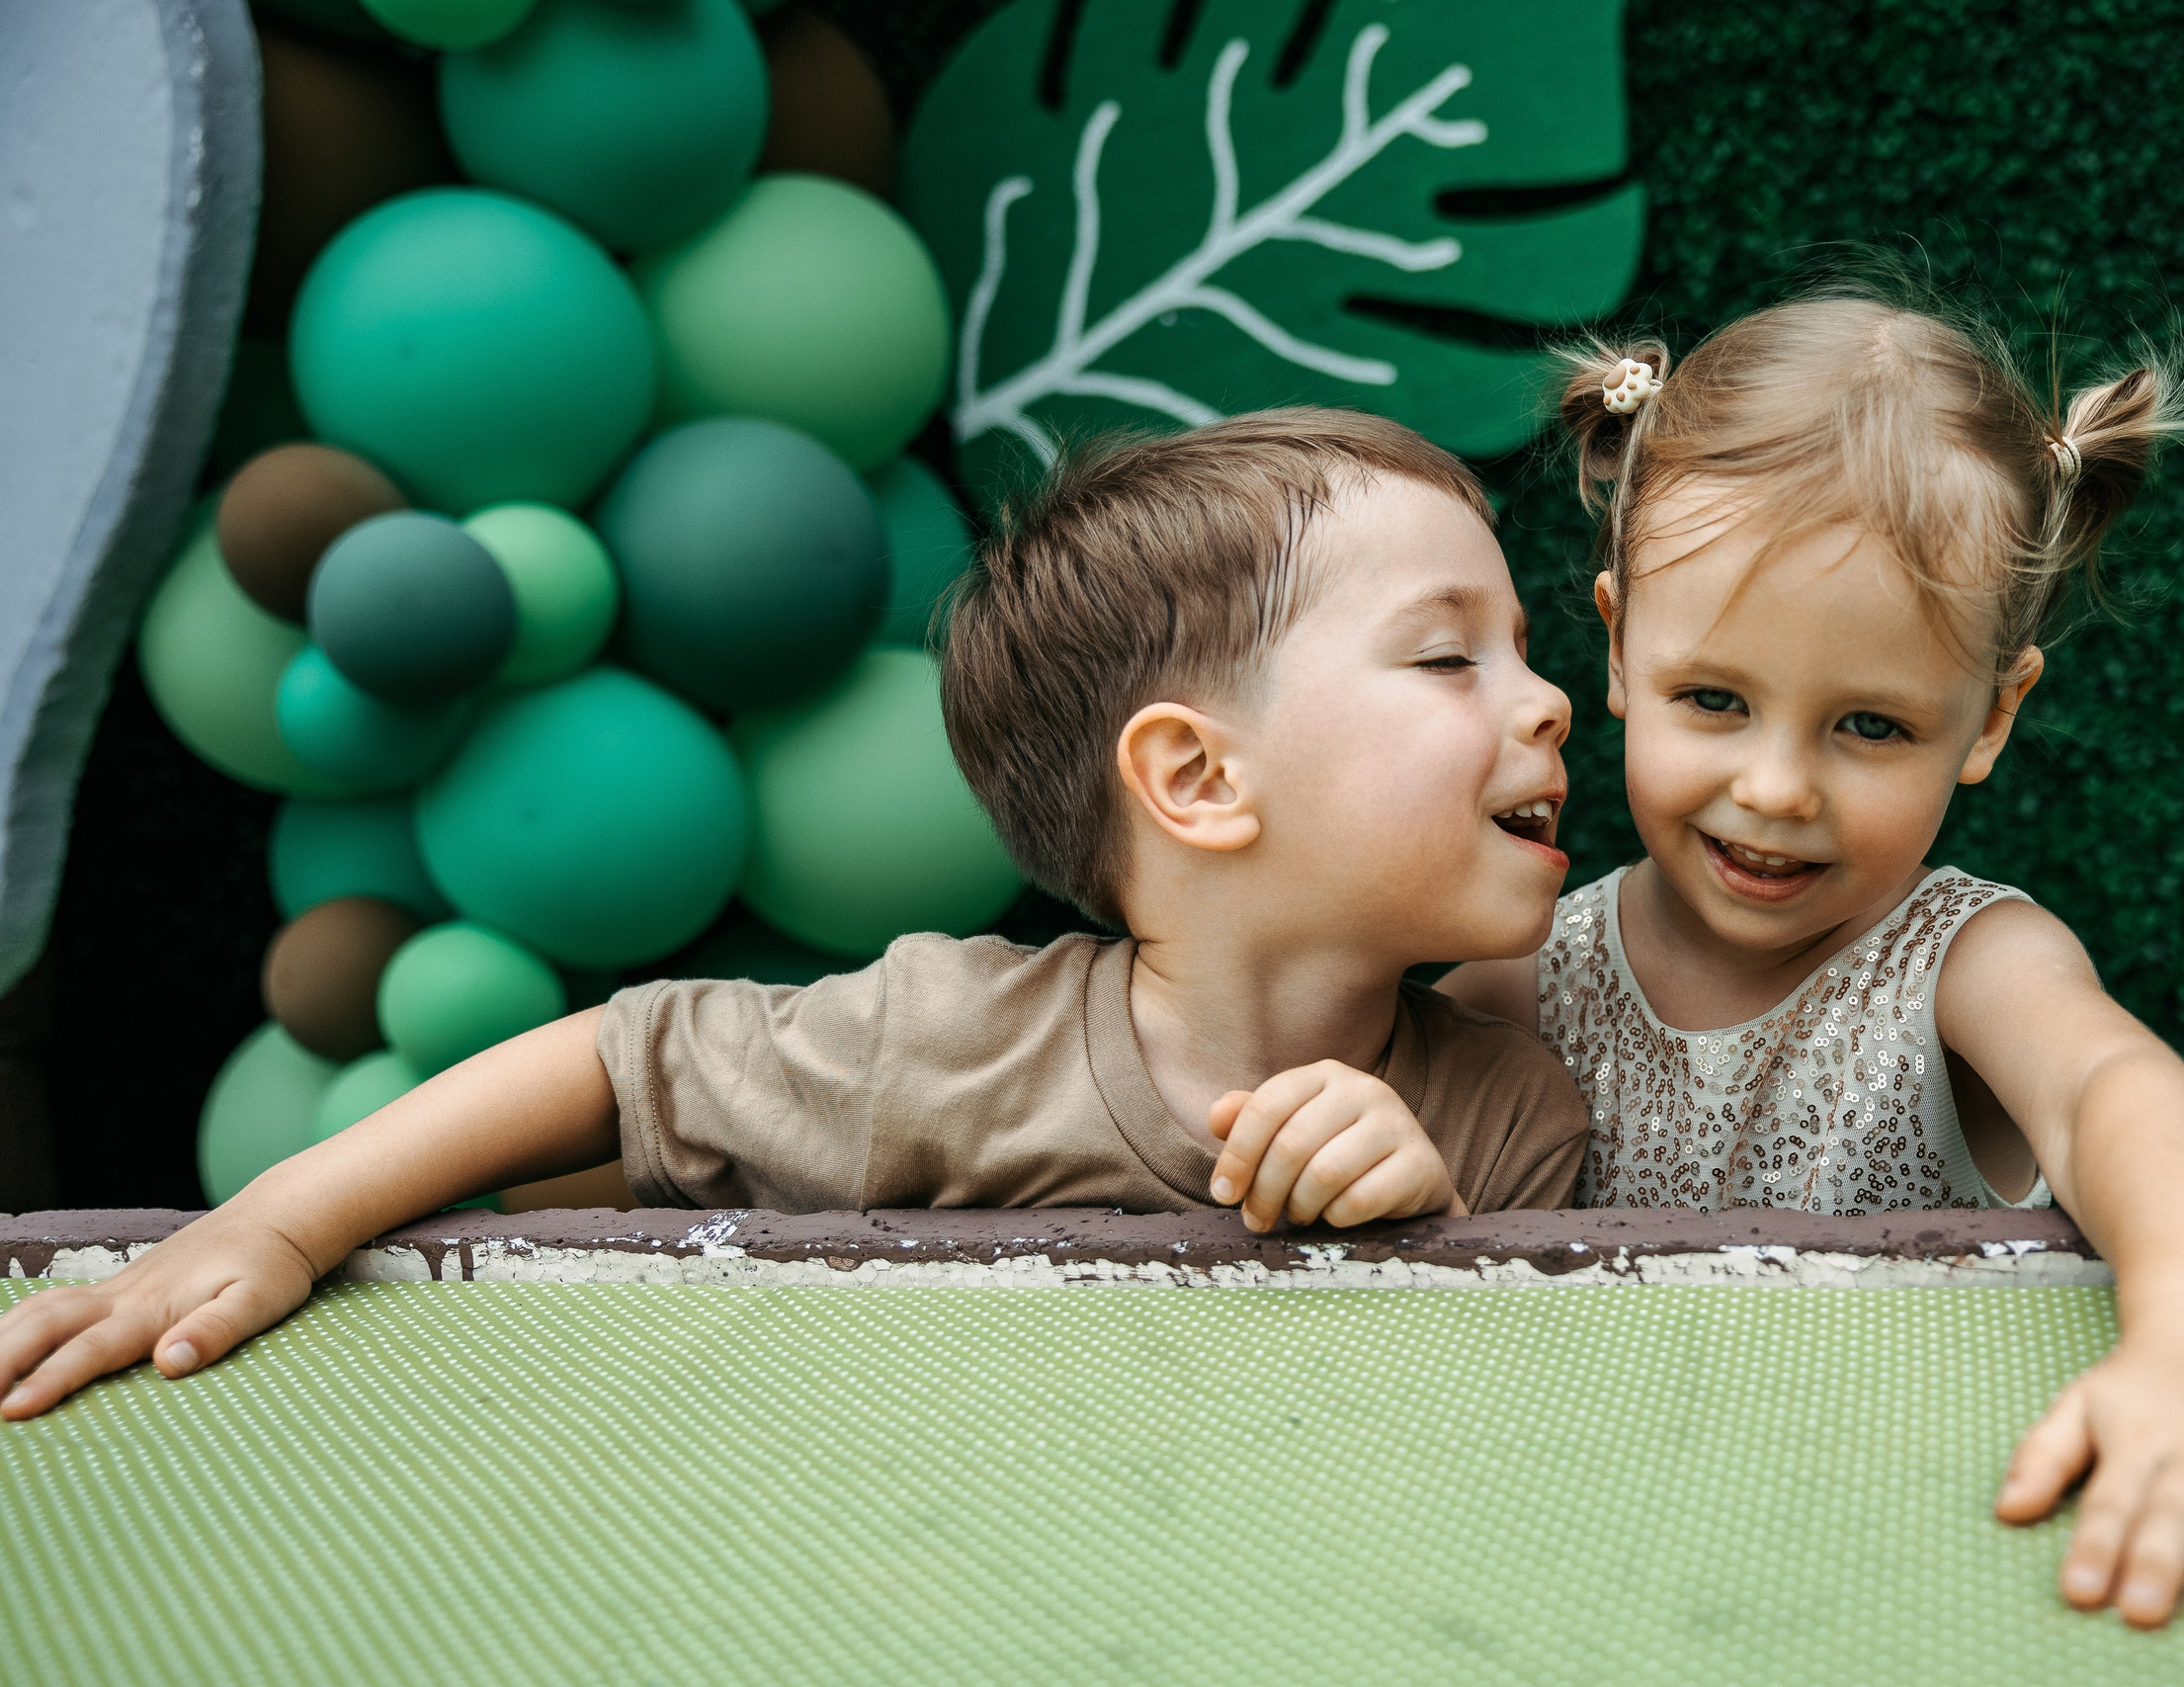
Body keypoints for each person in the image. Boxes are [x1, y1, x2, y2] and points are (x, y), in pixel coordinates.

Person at [1, 409, 1586, 1419]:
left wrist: (1432, 1231)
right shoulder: (939, 1041)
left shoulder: (1510, 1116)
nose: (1548, 703)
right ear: (1196, 779)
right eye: (1450, 657)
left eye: (1524, 646)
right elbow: (618, 1065)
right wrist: (280, 1222)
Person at [1441, 290, 2184, 1628]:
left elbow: (2121, 1096)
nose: (1774, 788)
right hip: (1593, 1570)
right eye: (1715, 698)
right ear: (1617, 650)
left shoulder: (1966, 963)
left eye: (1868, 726)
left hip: (1914, 1560)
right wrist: (1369, 1141)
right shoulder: (1521, 971)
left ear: (1988, 720)